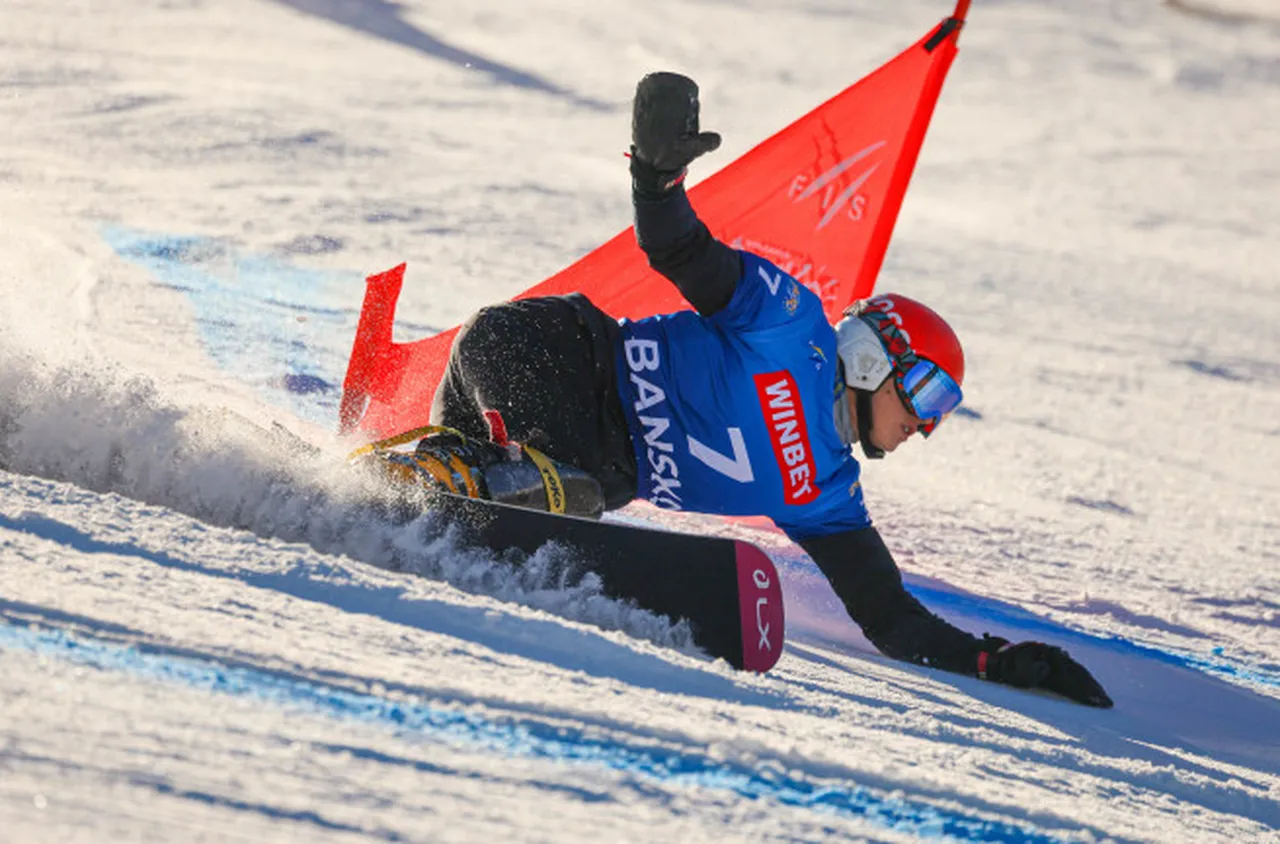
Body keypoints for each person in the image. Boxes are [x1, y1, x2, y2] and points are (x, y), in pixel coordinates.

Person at [373, 73, 1112, 707]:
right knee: (566, 489)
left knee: (549, 488)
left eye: (942, 411)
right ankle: (407, 491)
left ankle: (386, 489)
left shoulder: (826, 493)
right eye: (926, 392)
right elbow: (677, 248)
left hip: (567, 461)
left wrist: (997, 661)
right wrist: (656, 177)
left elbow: (889, 618)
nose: (926, 424)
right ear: (875, 355)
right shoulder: (789, 325)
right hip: (546, 354)